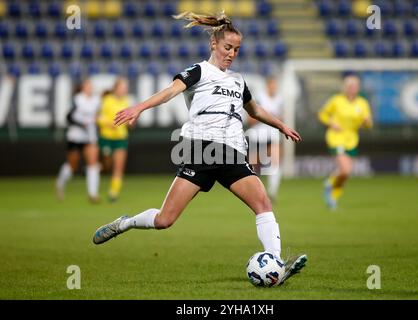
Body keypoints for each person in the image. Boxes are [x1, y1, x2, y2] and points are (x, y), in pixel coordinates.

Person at [92, 11, 307, 285]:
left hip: (231, 151)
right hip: (200, 151)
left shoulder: (238, 81)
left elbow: (255, 110)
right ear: (214, 45)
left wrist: (280, 125)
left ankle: (275, 262)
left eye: (237, 50)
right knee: (164, 220)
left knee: (263, 203)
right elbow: (170, 91)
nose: (232, 54)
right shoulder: (198, 71)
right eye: (228, 47)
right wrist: (139, 107)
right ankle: (125, 223)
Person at [318, 74, 372, 210]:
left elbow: (368, 124)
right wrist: (331, 123)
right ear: (345, 88)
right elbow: (322, 114)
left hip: (352, 140)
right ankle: (330, 184)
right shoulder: (337, 100)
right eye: (350, 86)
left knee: (345, 174)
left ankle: (332, 198)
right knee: (345, 170)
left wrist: (366, 122)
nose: (353, 89)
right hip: (336, 138)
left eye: (355, 86)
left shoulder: (362, 103)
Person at [56, 78, 101, 203]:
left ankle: (93, 194)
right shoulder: (77, 100)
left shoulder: (96, 101)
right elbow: (68, 118)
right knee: (72, 166)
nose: (90, 88)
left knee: (93, 164)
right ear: (82, 87)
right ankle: (60, 183)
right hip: (75, 135)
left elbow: (98, 116)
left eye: (91, 85)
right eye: (87, 85)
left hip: (90, 136)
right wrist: (82, 124)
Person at [247, 76, 284, 202]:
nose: (274, 88)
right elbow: (250, 119)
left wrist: (276, 120)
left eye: (275, 86)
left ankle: (272, 192)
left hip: (272, 135)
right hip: (257, 135)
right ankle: (253, 192)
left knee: (276, 162)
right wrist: (265, 117)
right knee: (253, 165)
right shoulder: (259, 98)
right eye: (271, 86)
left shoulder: (279, 99)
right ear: (267, 86)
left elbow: (280, 119)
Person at [97, 77, 131, 202]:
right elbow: (99, 117)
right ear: (116, 88)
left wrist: (130, 122)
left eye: (125, 88)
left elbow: (127, 119)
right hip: (106, 137)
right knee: (107, 165)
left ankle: (113, 193)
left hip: (120, 138)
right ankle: (98, 172)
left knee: (118, 166)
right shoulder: (107, 100)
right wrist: (108, 124)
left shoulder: (126, 101)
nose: (124, 90)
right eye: (122, 88)